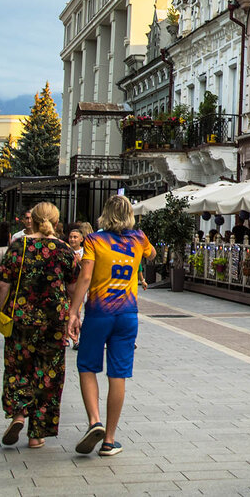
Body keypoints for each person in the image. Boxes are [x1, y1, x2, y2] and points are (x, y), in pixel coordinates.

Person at [68, 195, 155, 458]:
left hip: (99, 313)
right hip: (127, 315)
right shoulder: (139, 238)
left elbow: (85, 276)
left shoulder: (94, 240)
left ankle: (95, 421)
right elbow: (151, 255)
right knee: (118, 374)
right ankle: (109, 440)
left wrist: (73, 311)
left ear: (105, 213)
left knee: (87, 366)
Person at [0, 201, 78, 449]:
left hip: (21, 318)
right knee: (48, 375)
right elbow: (73, 288)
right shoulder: (64, 250)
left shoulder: (18, 246)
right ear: (55, 220)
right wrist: (73, 316)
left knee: (18, 369)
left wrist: (5, 311)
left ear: (31, 220)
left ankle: (19, 414)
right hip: (54, 322)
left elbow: (2, 284)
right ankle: (37, 435)